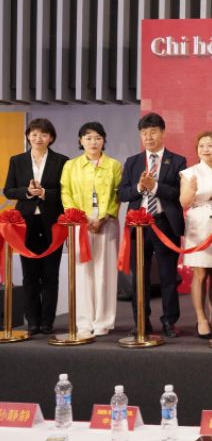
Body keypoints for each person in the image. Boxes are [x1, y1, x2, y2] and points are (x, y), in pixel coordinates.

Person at [117, 113, 187, 338]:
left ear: (163, 133)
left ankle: (169, 322)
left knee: (168, 277)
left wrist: (155, 186)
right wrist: (140, 187)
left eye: (153, 132)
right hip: (138, 225)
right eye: (144, 133)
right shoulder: (132, 162)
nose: (148, 137)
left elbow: (178, 194)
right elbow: (122, 193)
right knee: (140, 277)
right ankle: (141, 321)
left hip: (164, 223)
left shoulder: (178, 161)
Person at [3, 118, 69, 336]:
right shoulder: (17, 160)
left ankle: (47, 322)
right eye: (34, 134)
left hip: (52, 223)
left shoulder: (62, 161)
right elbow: (8, 190)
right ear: (28, 136)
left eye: (43, 134)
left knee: (50, 275)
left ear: (51, 138)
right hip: (26, 223)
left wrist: (45, 193)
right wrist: (28, 192)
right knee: (30, 275)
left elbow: (66, 192)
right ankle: (32, 322)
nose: (38, 138)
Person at [60, 122, 122, 337]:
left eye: (97, 138)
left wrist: (103, 218)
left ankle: (103, 321)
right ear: (81, 141)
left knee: (105, 272)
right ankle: (84, 321)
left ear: (104, 140)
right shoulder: (71, 166)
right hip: (80, 223)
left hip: (106, 223)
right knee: (83, 272)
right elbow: (66, 194)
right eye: (88, 138)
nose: (93, 142)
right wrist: (81, 218)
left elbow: (117, 194)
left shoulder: (114, 165)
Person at [180, 131, 212, 339]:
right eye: (201, 146)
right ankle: (201, 318)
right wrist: (191, 190)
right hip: (199, 224)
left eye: (210, 145)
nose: (205, 149)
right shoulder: (189, 172)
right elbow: (184, 202)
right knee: (200, 273)